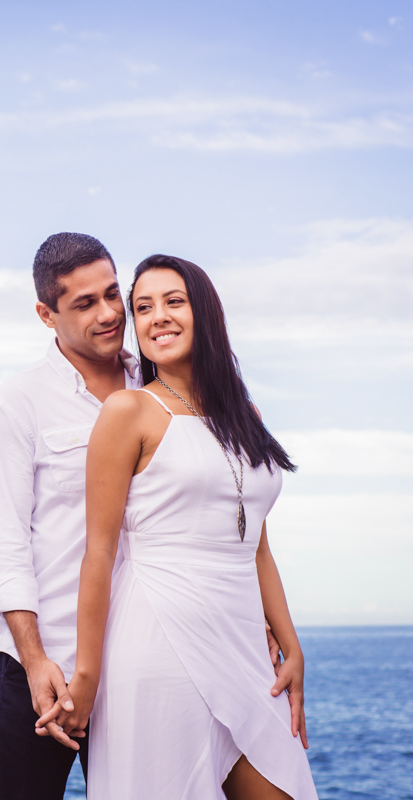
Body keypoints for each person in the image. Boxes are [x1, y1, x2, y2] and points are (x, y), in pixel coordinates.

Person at [50, 255, 318, 799]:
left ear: (206, 312)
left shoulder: (247, 415)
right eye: (143, 307)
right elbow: (98, 554)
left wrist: (293, 648)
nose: (157, 317)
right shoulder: (129, 411)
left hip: (243, 647)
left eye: (174, 301)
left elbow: (257, 545)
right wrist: (87, 674)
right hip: (157, 643)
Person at [0, 232, 141, 799]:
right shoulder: (18, 401)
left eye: (113, 294)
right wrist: (36, 657)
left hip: (139, 661)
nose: (110, 314)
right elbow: (4, 544)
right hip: (40, 669)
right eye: (85, 304)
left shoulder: (160, 386)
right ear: (46, 314)